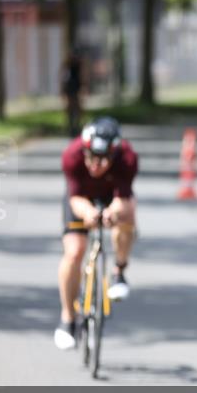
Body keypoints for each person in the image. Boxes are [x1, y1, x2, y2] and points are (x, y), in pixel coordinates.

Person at [55, 117, 138, 350]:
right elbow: (75, 198)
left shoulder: (127, 158)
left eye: (103, 160)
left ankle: (119, 271)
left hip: (113, 196)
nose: (95, 166)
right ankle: (68, 318)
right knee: (74, 252)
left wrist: (113, 212)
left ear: (114, 154)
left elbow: (124, 199)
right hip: (81, 198)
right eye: (91, 157)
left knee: (128, 217)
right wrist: (89, 213)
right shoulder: (71, 156)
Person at [61, 49, 87, 138]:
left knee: (77, 108)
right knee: (70, 108)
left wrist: (83, 88)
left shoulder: (78, 64)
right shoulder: (67, 65)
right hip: (69, 88)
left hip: (76, 87)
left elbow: (82, 76)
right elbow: (62, 76)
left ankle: (76, 126)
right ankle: (71, 126)